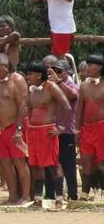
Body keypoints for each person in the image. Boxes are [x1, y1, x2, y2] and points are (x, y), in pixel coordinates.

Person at [25, 61, 71, 209]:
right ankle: (38, 199)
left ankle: (59, 199)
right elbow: (29, 110)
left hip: (47, 131)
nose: (28, 76)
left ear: (39, 75)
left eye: (30, 74)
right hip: (33, 131)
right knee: (36, 165)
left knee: (52, 164)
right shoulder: (32, 89)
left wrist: (61, 127)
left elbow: (67, 106)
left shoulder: (51, 87)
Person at [0, 54, 31, 204]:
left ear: (6, 67)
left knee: (19, 162)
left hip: (14, 126)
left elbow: (23, 106)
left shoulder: (17, 80)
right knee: (4, 163)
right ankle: (12, 196)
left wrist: (19, 129)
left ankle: (25, 196)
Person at [47, 59, 79, 201]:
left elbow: (72, 95)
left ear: (67, 73)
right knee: (50, 164)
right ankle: (51, 195)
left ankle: (72, 196)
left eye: (59, 71)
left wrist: (58, 81)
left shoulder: (72, 85)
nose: (56, 74)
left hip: (66, 131)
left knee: (68, 165)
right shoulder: (50, 86)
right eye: (54, 71)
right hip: (52, 130)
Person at [75, 54, 104, 200]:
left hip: (102, 127)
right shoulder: (84, 85)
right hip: (87, 128)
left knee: (100, 162)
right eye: (87, 64)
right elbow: (79, 108)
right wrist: (77, 129)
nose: (88, 67)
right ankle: (85, 193)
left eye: (91, 65)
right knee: (86, 161)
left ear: (99, 67)